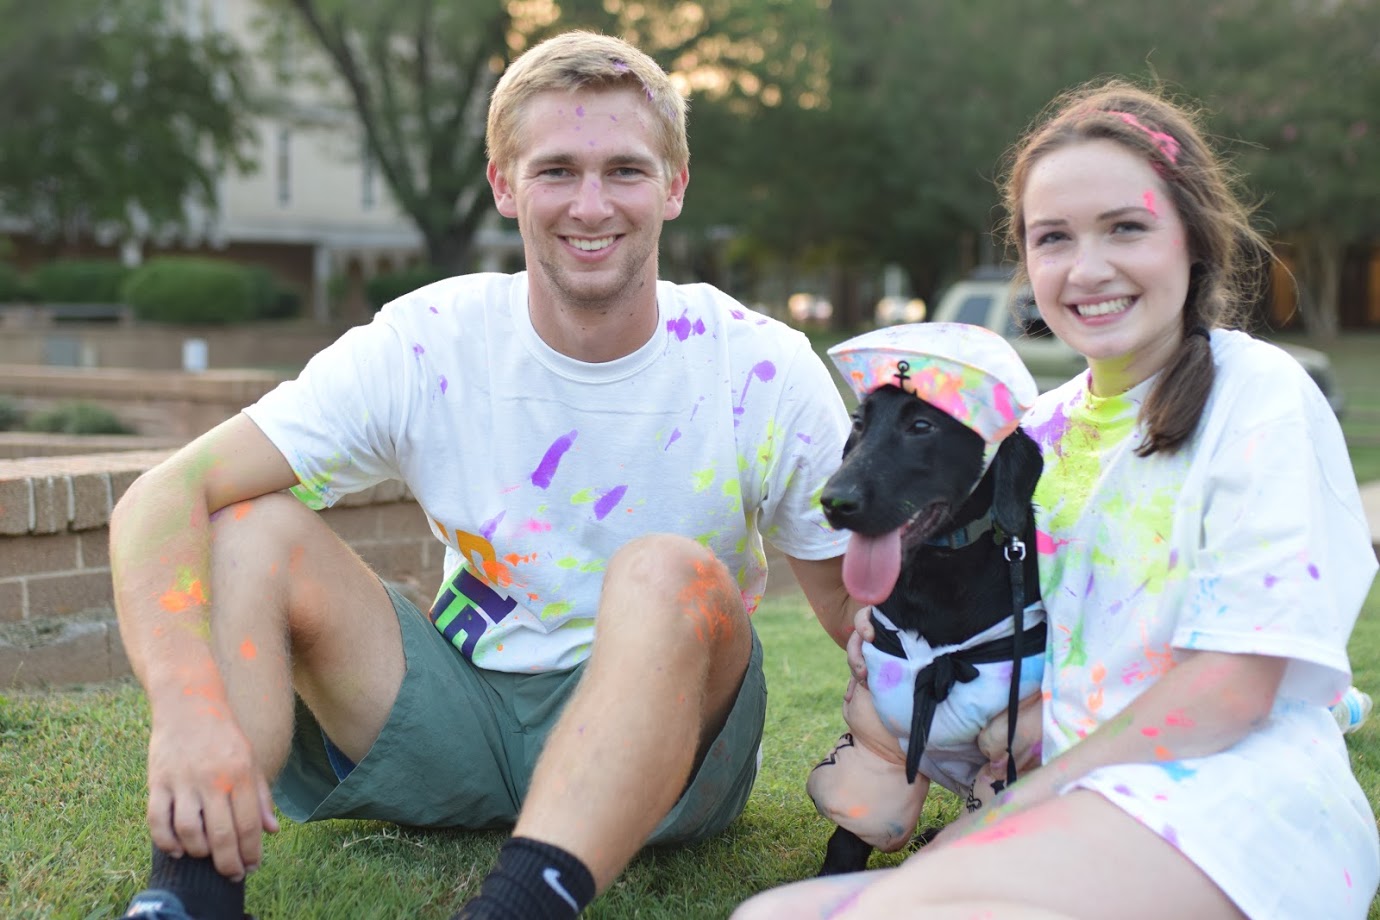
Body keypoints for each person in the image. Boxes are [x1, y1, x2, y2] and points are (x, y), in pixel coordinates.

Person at [111, 31, 856, 920]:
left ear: (675, 185)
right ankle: (191, 892)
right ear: (504, 184)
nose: (590, 205)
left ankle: (520, 906)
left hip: (673, 747)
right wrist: (188, 709)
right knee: (248, 525)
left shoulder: (762, 367)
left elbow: (860, 615)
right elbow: (167, 491)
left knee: (667, 569)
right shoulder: (431, 339)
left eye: (624, 169)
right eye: (555, 171)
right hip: (463, 714)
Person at [734, 79, 1380, 920]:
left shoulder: (1257, 394)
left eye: (1126, 228)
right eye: (1053, 239)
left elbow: (1234, 687)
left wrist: (1019, 808)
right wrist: (889, 624)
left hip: (1227, 810)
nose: (1087, 268)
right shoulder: (1033, 431)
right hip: (1071, 803)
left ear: (1193, 238)